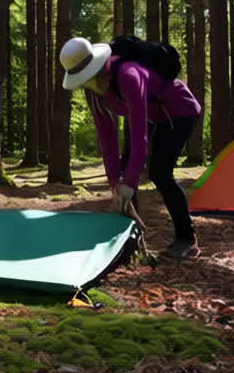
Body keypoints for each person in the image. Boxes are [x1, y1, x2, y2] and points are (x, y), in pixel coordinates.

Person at [59, 36, 203, 259]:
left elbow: (140, 139)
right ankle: (129, 242)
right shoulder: (95, 92)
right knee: (126, 176)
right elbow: (107, 139)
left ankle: (187, 239)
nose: (85, 83)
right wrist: (115, 184)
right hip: (152, 116)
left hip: (179, 111)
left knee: (160, 173)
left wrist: (130, 184)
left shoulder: (129, 75)